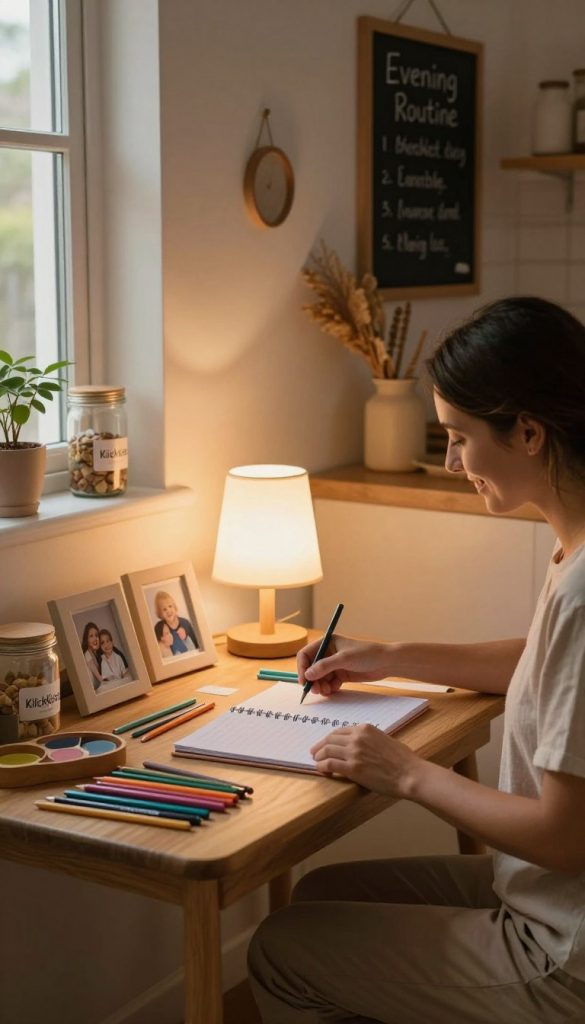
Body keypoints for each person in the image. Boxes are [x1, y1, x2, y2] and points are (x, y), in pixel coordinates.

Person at [248, 296, 585, 1024]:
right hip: (548, 899)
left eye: (458, 438)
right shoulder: (574, 548)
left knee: (280, 947)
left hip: (564, 951)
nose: (451, 462)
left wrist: (405, 772)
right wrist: (387, 655)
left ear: (527, 431)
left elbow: (565, 838)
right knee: (322, 897)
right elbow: (547, 664)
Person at [154, 591, 198, 655]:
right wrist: (163, 641)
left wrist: (185, 634)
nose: (168, 611)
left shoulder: (185, 622)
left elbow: (196, 642)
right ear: (160, 613)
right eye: (164, 609)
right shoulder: (159, 627)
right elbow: (156, 648)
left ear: (174, 607)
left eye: (170, 606)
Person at [81, 621, 103, 692]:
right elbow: (100, 678)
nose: (95, 639)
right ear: (86, 640)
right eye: (91, 636)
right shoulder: (87, 654)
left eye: (96, 635)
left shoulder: (95, 653)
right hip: (93, 691)